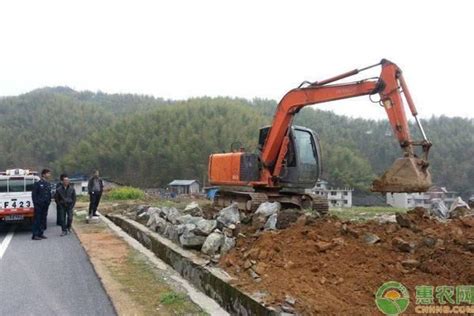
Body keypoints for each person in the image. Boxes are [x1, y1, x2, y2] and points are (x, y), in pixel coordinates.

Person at [31, 169, 52, 240]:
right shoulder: (37, 183)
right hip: (39, 205)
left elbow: (49, 194)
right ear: (43, 174)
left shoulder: (48, 184)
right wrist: (36, 204)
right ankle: (35, 235)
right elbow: (34, 195)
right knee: (37, 220)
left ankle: (41, 233)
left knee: (43, 219)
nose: (49, 175)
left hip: (45, 205)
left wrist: (48, 202)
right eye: (48, 173)